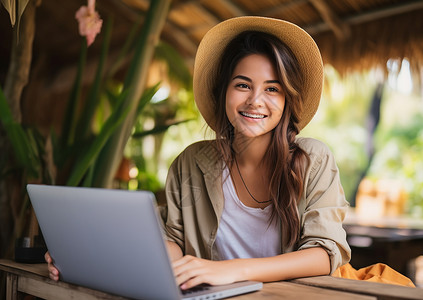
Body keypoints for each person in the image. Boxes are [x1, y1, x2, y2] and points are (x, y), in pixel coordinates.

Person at [46, 16, 351, 289]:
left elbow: (324, 254)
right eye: (243, 85)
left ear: (287, 99)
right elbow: (172, 241)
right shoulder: (191, 163)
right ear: (224, 92)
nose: (256, 100)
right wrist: (91, 257)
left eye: (272, 89)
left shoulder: (313, 158)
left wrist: (230, 271)